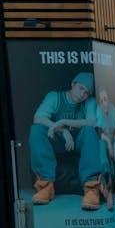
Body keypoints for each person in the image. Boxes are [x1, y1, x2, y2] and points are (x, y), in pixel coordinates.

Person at [28, 71, 104, 210]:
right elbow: (38, 118)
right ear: (73, 84)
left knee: (89, 131)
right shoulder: (55, 97)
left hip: (79, 141)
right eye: (81, 88)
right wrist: (63, 130)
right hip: (59, 140)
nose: (82, 94)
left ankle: (91, 188)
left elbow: (92, 122)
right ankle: (46, 186)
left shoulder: (89, 102)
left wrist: (62, 121)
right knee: (37, 130)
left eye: (86, 92)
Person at [94, 87, 115, 211]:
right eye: (101, 100)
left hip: (112, 139)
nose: (103, 102)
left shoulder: (112, 108)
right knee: (102, 145)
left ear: (109, 100)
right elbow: (100, 133)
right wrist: (109, 145)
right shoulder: (98, 110)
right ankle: (109, 190)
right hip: (104, 139)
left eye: (105, 99)